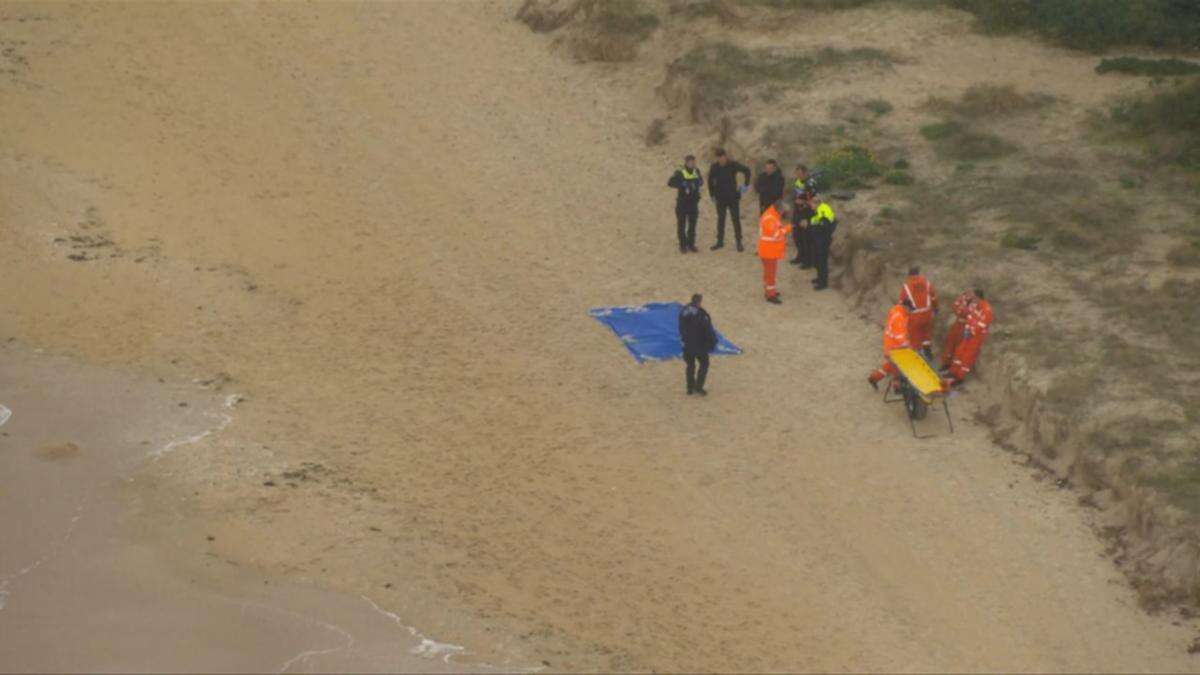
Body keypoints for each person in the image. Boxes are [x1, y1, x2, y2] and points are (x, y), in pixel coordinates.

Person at [707, 148, 752, 252]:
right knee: (721, 220)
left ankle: (739, 242)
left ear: (725, 156)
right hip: (720, 198)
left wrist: (745, 185)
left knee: (735, 220)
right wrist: (712, 195)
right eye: (718, 158)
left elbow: (747, 171)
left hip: (733, 197)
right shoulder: (714, 167)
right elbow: (710, 181)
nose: (721, 160)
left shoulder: (733, 164)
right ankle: (720, 242)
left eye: (722, 157)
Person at [945, 289, 993, 385]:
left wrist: (971, 331)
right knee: (959, 352)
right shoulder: (975, 305)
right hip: (968, 333)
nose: (972, 299)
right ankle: (953, 372)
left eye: (974, 297)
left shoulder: (987, 310)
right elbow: (969, 317)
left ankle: (960, 377)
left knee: (967, 357)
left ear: (978, 297)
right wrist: (967, 328)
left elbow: (982, 324)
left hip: (976, 337)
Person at [868, 298, 913, 390]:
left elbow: (901, 331)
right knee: (897, 366)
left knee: (890, 365)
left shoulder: (898, 312)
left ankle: (874, 378)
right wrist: (907, 345)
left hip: (891, 343)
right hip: (893, 346)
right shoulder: (899, 317)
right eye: (910, 309)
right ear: (905, 307)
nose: (911, 311)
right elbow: (899, 336)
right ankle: (897, 387)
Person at [678, 293, 717, 396]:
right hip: (700, 345)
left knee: (690, 366)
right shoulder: (702, 315)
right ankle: (698, 387)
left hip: (687, 345)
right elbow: (708, 330)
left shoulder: (684, 311)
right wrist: (713, 342)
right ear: (699, 302)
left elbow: (681, 327)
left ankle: (690, 388)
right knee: (704, 364)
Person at [757, 198, 792, 304]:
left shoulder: (772, 215)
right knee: (770, 274)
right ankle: (770, 295)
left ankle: (769, 291)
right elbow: (776, 234)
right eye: (784, 211)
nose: (784, 213)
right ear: (779, 209)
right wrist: (788, 228)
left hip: (769, 250)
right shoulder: (770, 218)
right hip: (769, 251)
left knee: (769, 273)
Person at [899, 266, 938, 360]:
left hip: (915, 315)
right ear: (918, 273)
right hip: (927, 313)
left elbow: (902, 302)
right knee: (926, 333)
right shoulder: (927, 283)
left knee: (915, 336)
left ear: (909, 274)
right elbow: (933, 297)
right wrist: (936, 308)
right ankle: (928, 353)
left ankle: (918, 357)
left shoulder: (907, 285)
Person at [667, 155, 703, 253]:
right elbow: (670, 182)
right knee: (681, 224)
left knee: (693, 225)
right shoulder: (680, 172)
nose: (693, 164)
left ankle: (691, 244)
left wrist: (697, 184)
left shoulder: (697, 171)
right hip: (682, 203)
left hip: (693, 203)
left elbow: (701, 181)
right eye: (691, 162)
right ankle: (682, 245)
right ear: (686, 162)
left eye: (694, 162)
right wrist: (682, 184)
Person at [789, 165, 817, 267]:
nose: (798, 176)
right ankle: (800, 256)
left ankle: (808, 261)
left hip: (807, 213)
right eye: (797, 174)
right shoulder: (798, 182)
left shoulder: (811, 183)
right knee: (797, 236)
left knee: (806, 238)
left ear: (805, 173)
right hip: (797, 211)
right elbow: (795, 194)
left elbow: (813, 200)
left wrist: (803, 202)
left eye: (800, 174)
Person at [940, 291, 975, 371]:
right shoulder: (963, 296)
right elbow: (955, 307)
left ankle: (954, 366)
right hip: (958, 323)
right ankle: (946, 363)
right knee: (950, 343)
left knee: (959, 347)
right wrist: (961, 311)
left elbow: (970, 314)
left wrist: (962, 311)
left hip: (966, 327)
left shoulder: (975, 303)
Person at [809, 195, 837, 291]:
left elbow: (824, 226)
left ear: (817, 203)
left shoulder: (823, 209)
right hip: (818, 238)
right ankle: (819, 278)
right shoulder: (818, 210)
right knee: (817, 259)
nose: (810, 205)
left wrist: (813, 227)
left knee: (822, 261)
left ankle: (823, 283)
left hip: (823, 239)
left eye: (812, 203)